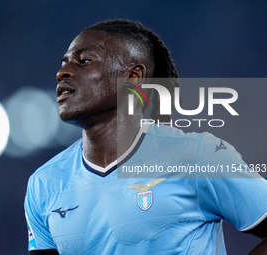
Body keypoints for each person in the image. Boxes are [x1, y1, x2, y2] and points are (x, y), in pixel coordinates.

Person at [24, 19, 267, 254]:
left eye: (83, 61)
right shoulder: (44, 183)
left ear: (132, 77)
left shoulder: (198, 155)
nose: (62, 73)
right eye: (64, 63)